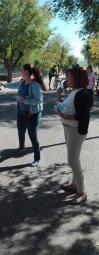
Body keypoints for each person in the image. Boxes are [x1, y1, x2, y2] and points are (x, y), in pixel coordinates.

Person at [55, 66, 90, 205]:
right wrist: (58, 96)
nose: (66, 78)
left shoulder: (83, 94)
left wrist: (62, 115)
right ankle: (74, 184)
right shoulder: (74, 92)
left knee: (72, 160)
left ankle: (81, 191)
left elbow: (82, 116)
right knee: (74, 159)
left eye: (69, 76)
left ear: (77, 78)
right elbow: (67, 106)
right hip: (68, 128)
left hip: (75, 130)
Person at [4, 63, 47, 167]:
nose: (21, 72)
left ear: (27, 72)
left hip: (33, 113)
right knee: (21, 130)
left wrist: (24, 100)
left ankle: (37, 159)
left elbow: (38, 100)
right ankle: (21, 147)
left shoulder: (35, 84)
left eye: (22, 70)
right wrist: (2, 85)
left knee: (33, 135)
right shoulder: (22, 82)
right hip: (21, 111)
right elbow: (12, 85)